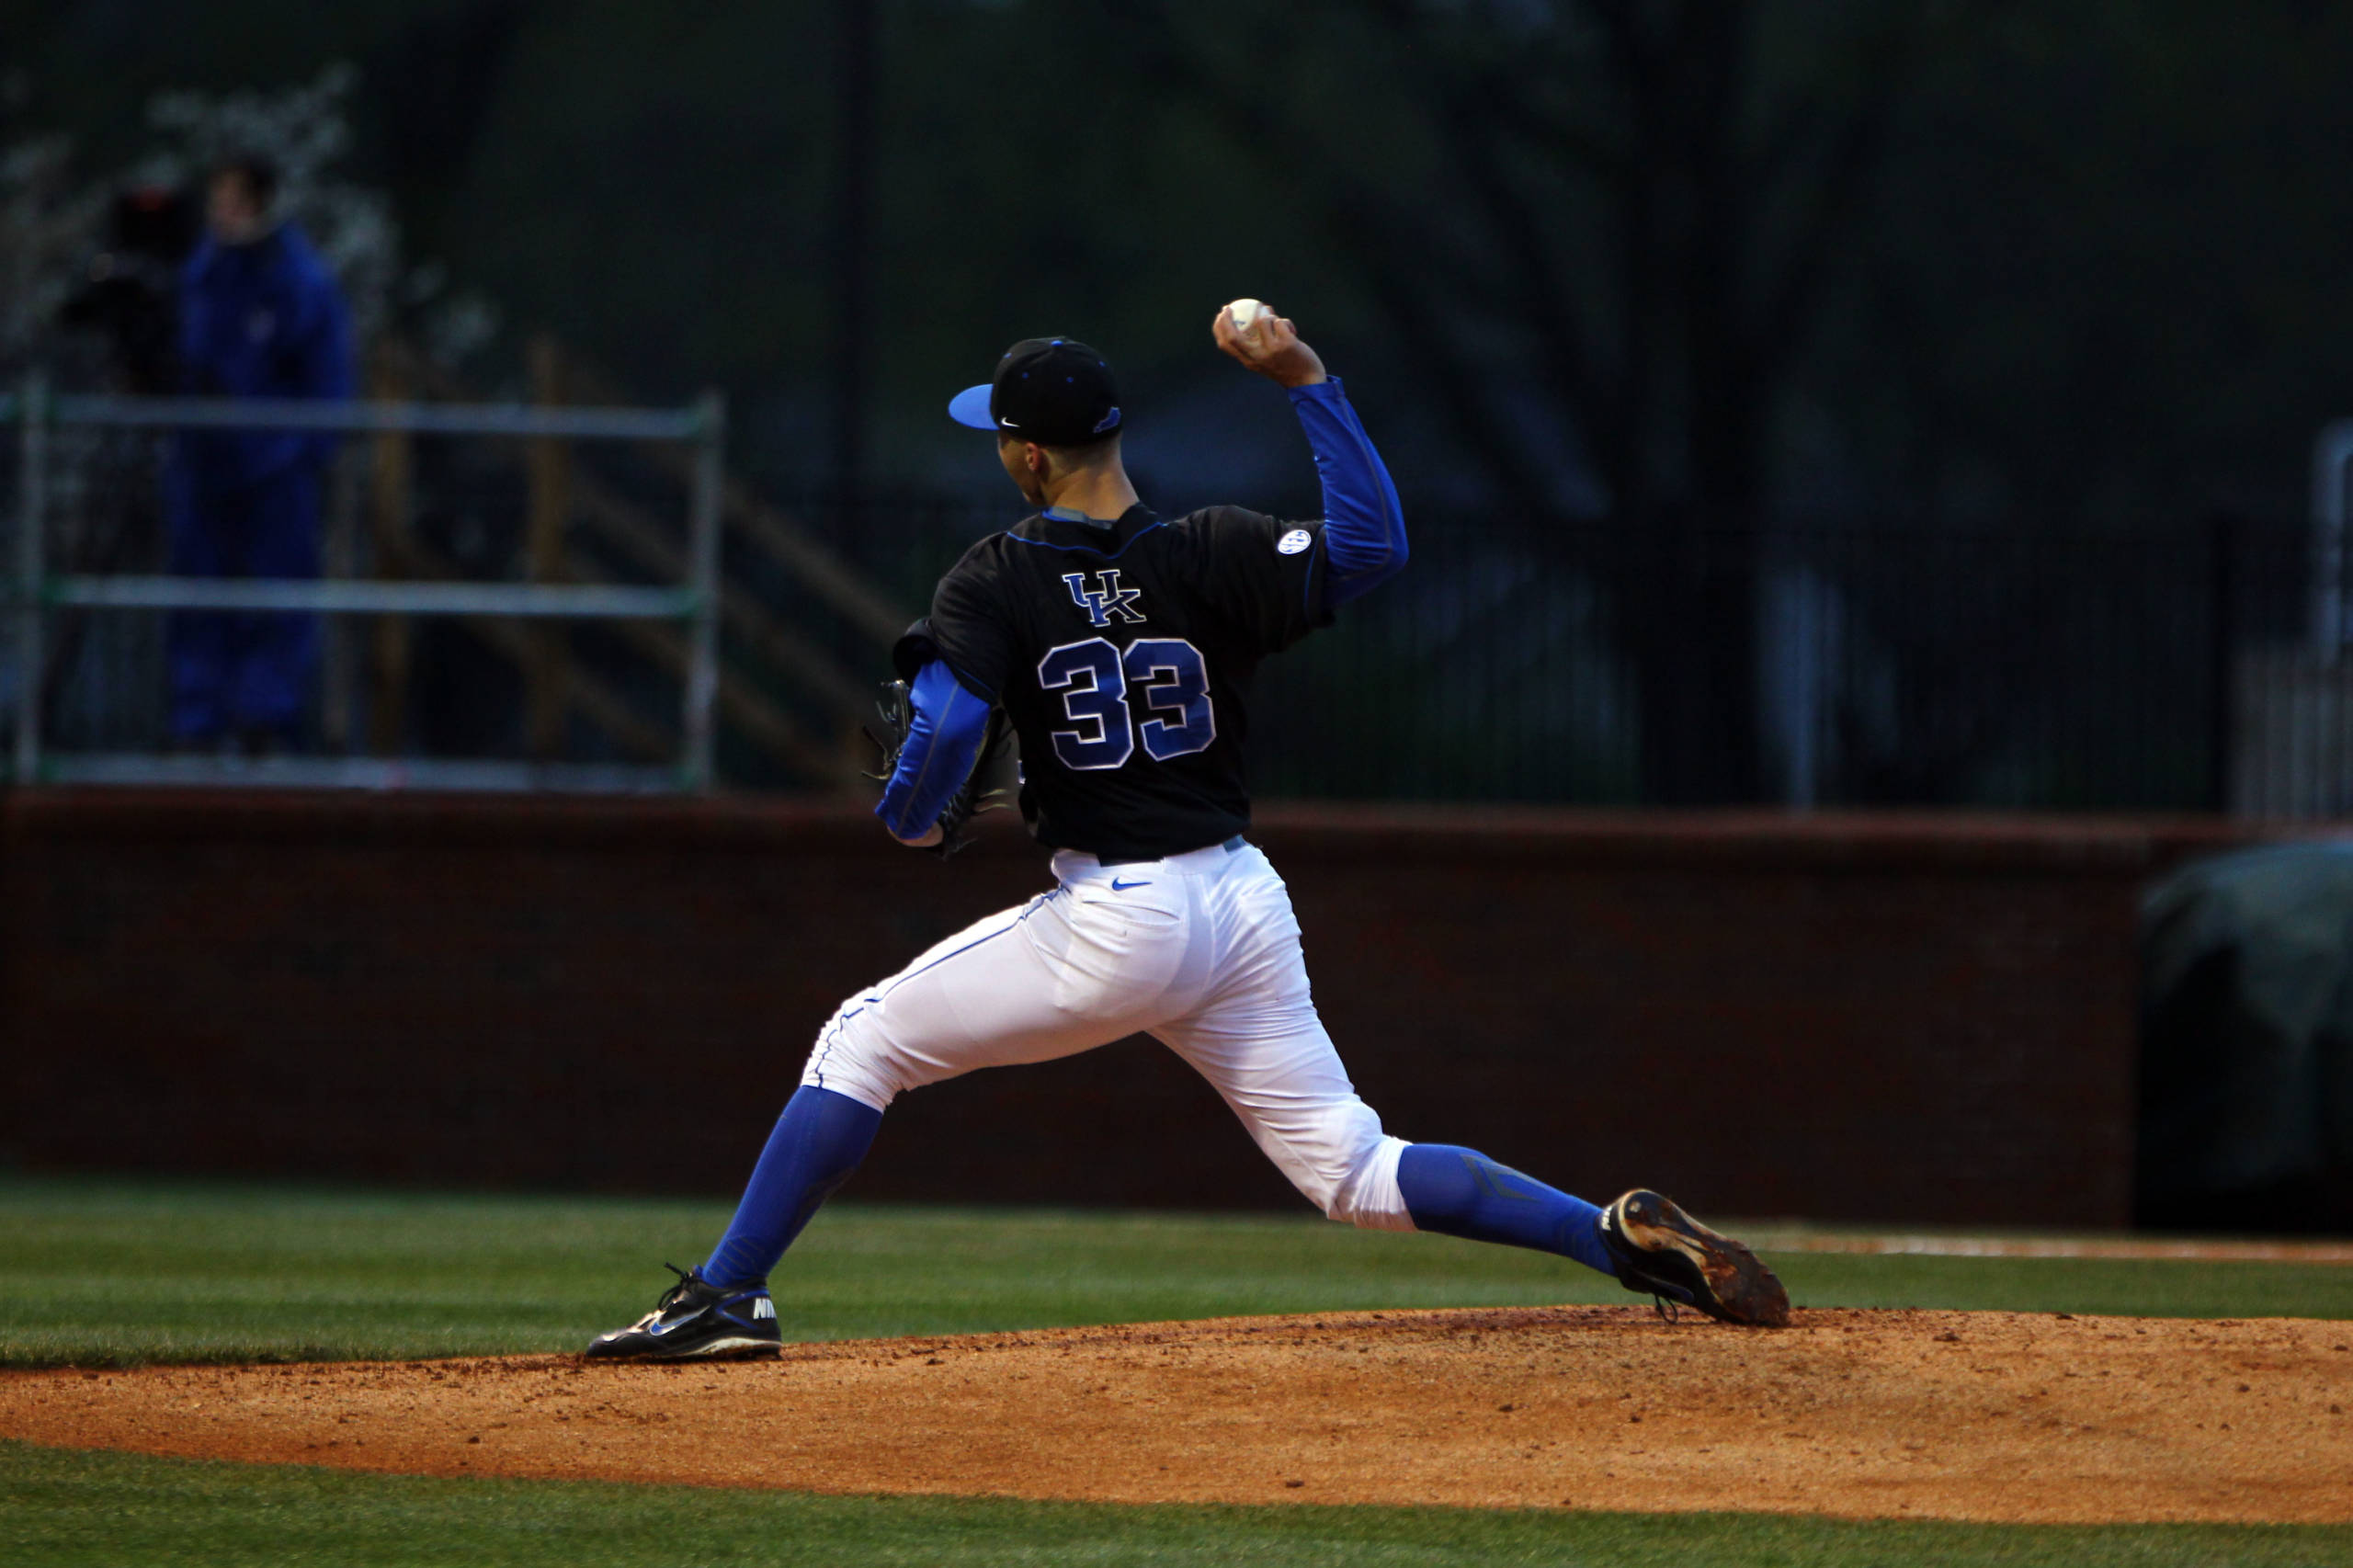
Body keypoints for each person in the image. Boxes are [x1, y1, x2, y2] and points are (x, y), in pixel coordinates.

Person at [587, 310, 1789, 1360]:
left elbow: (947, 730)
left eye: (998, 436)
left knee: (865, 1038)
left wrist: (906, 816)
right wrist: (1306, 376)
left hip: (1121, 915)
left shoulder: (995, 576)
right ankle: (1608, 1236)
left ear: (1025, 451)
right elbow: (1373, 547)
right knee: (1355, 1167)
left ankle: (729, 1295)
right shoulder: (1210, 547)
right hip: (1241, 901)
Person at [165, 153, 354, 751]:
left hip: (274, 466)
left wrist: (305, 450)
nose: (225, 213)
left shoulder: (299, 280)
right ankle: (197, 719)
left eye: (236, 200)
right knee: (197, 591)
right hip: (204, 462)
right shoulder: (200, 274)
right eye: (218, 200)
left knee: (278, 592)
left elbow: (327, 372)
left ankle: (264, 718)